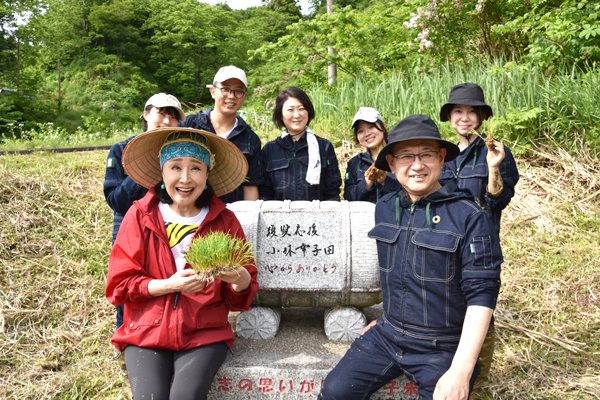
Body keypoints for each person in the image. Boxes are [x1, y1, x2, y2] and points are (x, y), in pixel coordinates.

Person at [319, 114, 502, 400]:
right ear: (391, 164)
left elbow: (483, 296)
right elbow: (398, 274)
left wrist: (460, 371)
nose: (417, 165)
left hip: (443, 345)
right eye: (405, 156)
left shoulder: (470, 216)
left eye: (426, 154)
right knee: (334, 392)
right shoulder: (385, 207)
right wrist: (384, 320)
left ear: (442, 158)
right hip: (388, 335)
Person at [106, 127, 258, 400]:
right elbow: (119, 286)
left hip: (205, 334)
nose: (185, 178)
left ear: (208, 174)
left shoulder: (224, 221)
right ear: (162, 172)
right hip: (144, 333)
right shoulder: (140, 216)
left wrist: (239, 279)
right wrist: (168, 285)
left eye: (196, 168)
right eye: (175, 167)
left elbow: (241, 297)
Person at [439, 83, 519, 399]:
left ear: (481, 117)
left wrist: (493, 169)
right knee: (446, 306)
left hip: (480, 247)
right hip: (444, 246)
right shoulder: (441, 153)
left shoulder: (495, 152)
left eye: (472, 111)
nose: (465, 117)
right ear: (450, 116)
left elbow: (499, 200)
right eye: (458, 111)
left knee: (480, 308)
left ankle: (478, 382)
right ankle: (449, 374)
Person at [104, 93, 185, 329]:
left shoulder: (182, 153)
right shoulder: (121, 150)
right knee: (127, 281)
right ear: (146, 114)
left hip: (169, 226)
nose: (167, 121)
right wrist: (145, 166)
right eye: (161, 113)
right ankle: (125, 339)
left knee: (167, 280)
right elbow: (116, 201)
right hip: (129, 226)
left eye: (173, 117)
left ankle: (160, 334)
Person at [181, 65, 264, 204]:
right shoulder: (190, 125)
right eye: (225, 89)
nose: (231, 96)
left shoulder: (250, 139)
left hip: (230, 216)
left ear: (244, 97)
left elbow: (250, 186)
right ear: (213, 91)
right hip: (190, 212)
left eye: (238, 91)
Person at [259, 87, 341, 201]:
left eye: (301, 108)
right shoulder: (270, 149)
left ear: (308, 111)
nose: (297, 115)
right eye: (290, 110)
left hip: (316, 216)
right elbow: (265, 193)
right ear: (281, 114)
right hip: (279, 215)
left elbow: (332, 192)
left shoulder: (324, 147)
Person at [343, 107, 402, 202]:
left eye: (371, 127)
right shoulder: (355, 163)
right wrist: (367, 181)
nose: (367, 134)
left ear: (383, 126)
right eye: (360, 131)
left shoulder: (401, 157)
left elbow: (411, 194)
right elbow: (348, 199)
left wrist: (385, 181)